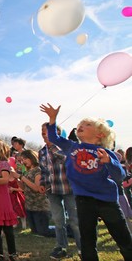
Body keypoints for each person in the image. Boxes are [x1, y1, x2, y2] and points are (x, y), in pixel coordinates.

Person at [40, 103, 132, 260]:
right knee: (87, 241)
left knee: (123, 238)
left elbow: (120, 176)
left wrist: (108, 161)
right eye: (79, 125)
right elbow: (54, 137)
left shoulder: (106, 152)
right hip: (83, 200)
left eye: (87, 125)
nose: (80, 126)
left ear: (100, 135)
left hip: (107, 201)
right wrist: (52, 118)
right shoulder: (71, 146)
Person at [39, 122, 81, 259]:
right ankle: (61, 246)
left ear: (55, 132)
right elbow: (44, 170)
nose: (43, 134)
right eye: (42, 131)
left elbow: (66, 160)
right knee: (58, 220)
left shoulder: (66, 147)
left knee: (75, 220)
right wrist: (43, 183)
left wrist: (53, 147)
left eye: (46, 131)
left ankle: (82, 247)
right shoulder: (41, 151)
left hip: (69, 188)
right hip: (53, 190)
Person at [10, 149, 55, 238]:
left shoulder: (38, 170)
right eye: (22, 160)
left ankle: (65, 230)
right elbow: (24, 188)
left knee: (43, 232)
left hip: (40, 207)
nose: (23, 162)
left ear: (32, 158)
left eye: (25, 159)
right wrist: (17, 179)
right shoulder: (27, 171)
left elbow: (36, 188)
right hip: (30, 206)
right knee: (35, 231)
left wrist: (21, 177)